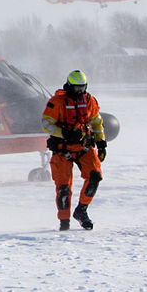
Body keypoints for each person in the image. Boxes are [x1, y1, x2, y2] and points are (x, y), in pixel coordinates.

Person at [41, 70, 107, 231]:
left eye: (82, 88)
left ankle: (81, 211)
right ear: (69, 86)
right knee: (63, 188)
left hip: (84, 147)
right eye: (76, 88)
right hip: (63, 149)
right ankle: (64, 222)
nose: (80, 91)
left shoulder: (89, 101)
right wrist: (63, 133)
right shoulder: (57, 102)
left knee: (95, 176)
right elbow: (46, 124)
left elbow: (97, 122)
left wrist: (101, 143)